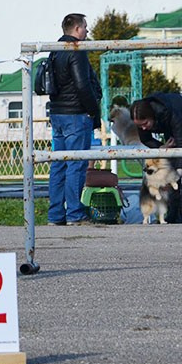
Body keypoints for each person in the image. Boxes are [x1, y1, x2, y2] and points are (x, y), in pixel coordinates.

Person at [46, 13, 102, 226]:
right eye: (85, 27)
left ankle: (55, 215)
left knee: (58, 165)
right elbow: (82, 85)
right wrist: (93, 111)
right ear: (77, 29)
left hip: (57, 113)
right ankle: (75, 214)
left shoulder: (54, 50)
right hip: (76, 115)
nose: (87, 31)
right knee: (76, 165)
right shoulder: (76, 51)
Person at [131, 92, 182, 223]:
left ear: (151, 116)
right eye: (139, 126)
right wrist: (162, 147)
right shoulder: (141, 116)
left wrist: (179, 171)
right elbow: (146, 139)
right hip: (171, 120)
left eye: (145, 123)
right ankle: (173, 210)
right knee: (170, 161)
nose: (143, 128)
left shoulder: (170, 113)